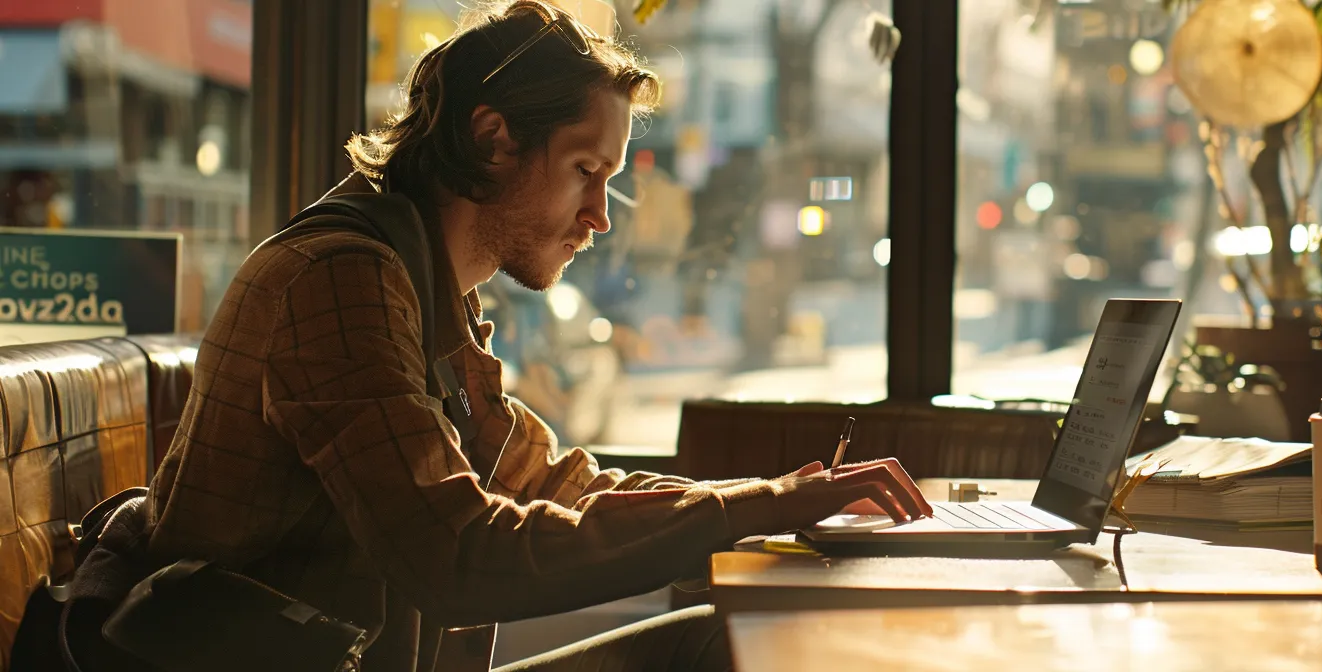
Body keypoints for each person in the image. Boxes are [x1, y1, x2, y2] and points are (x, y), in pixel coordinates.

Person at [116, 2, 931, 670]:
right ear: (493, 138)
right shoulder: (339, 280)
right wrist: (752, 507)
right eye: (586, 171)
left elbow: (556, 482)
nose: (600, 217)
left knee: (728, 642)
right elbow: (460, 558)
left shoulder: (424, 287)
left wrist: (776, 501)